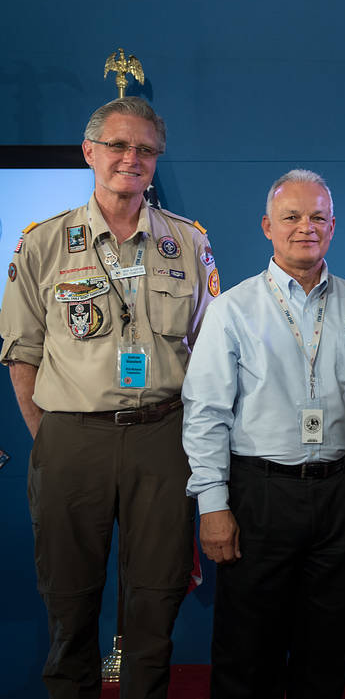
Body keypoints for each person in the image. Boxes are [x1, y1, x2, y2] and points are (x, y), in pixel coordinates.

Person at [0, 96, 218, 699]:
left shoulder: (190, 245)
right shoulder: (43, 243)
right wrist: (51, 436)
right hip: (72, 436)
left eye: (145, 149)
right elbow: (22, 353)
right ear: (90, 151)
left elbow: (207, 349)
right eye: (119, 146)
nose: (132, 159)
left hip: (163, 437)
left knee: (156, 596)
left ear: (158, 159)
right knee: (69, 597)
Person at [182, 169, 345, 699]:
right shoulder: (232, 310)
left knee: (326, 647)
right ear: (267, 226)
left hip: (339, 492)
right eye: (291, 217)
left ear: (333, 227)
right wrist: (212, 504)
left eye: (317, 217)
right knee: (246, 648)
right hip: (258, 491)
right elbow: (206, 413)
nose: (305, 227)